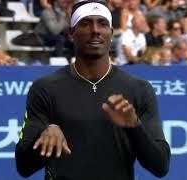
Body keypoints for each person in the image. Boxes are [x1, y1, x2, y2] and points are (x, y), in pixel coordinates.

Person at [15, 1, 170, 180]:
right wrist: (43, 139)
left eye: (103, 23)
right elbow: (23, 166)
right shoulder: (45, 88)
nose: (95, 30)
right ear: (72, 33)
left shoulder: (139, 89)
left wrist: (135, 127)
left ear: (111, 33)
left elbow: (161, 166)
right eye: (85, 23)